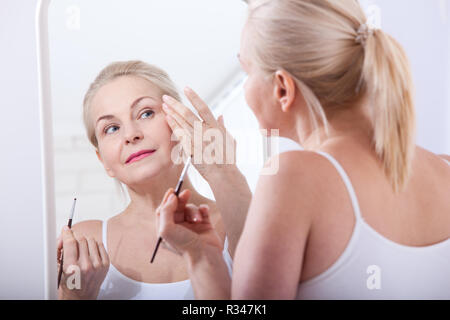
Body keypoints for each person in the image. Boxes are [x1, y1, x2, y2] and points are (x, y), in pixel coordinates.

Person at [157, 0, 450, 299]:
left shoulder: (294, 175)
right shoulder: (445, 170)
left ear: (282, 88)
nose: (246, 87)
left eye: (248, 71)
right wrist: (202, 252)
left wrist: (200, 258)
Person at [56, 60, 251, 299]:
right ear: (103, 162)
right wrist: (73, 294)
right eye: (111, 128)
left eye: (146, 113)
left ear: (180, 123)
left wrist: (224, 171)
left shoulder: (238, 219)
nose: (130, 134)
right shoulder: (86, 244)